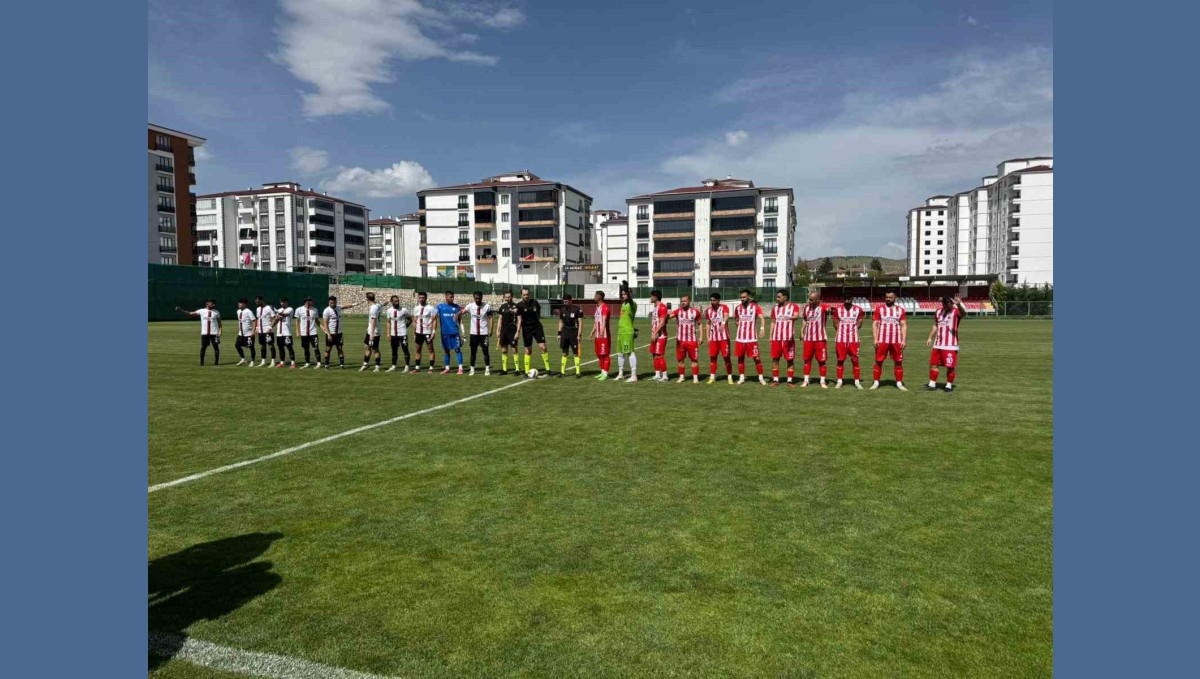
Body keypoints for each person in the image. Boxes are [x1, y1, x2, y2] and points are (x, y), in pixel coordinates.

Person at [926, 294, 967, 392]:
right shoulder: (938, 312)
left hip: (950, 345)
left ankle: (948, 385)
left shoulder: (956, 311)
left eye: (949, 304)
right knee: (933, 364)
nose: (947, 306)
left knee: (950, 367)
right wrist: (930, 338)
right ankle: (932, 384)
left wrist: (959, 304)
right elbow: (936, 325)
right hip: (938, 344)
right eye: (945, 304)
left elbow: (963, 313)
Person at [871, 290, 907, 390]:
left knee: (898, 361)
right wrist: (875, 338)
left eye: (890, 297)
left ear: (895, 298)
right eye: (886, 297)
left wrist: (903, 340)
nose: (888, 299)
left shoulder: (900, 310)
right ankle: (876, 383)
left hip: (896, 340)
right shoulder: (879, 309)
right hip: (882, 339)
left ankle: (899, 383)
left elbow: (903, 325)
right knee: (878, 361)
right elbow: (875, 324)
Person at [733, 289, 767, 385]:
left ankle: (761, 378)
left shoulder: (755, 307)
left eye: (744, 297)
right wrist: (739, 326)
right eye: (741, 297)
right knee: (740, 358)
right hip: (740, 338)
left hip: (752, 338)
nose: (742, 299)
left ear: (748, 297)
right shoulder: (738, 308)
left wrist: (762, 328)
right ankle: (742, 377)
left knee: (756, 358)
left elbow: (762, 318)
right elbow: (736, 319)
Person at [515, 288, 551, 377]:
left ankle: (548, 369)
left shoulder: (535, 302)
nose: (526, 296)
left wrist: (536, 320)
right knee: (528, 350)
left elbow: (538, 313)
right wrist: (517, 332)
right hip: (526, 329)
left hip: (537, 327)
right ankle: (527, 372)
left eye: (527, 294)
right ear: (521, 295)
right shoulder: (519, 306)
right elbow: (519, 320)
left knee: (543, 347)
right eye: (524, 295)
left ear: (529, 294)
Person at [768, 289, 801, 387]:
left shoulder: (793, 306)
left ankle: (790, 381)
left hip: (788, 338)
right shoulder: (775, 308)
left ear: (785, 297)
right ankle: (775, 380)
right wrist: (770, 335)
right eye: (777, 297)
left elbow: (796, 316)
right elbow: (773, 322)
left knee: (790, 360)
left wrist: (788, 317)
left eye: (779, 297)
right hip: (777, 338)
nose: (777, 299)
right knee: (775, 359)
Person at [174, 299, 221, 366]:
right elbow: (190, 313)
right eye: (212, 303)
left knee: (216, 347)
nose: (214, 305)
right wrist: (181, 310)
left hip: (215, 333)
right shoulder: (201, 311)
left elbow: (220, 323)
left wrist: (220, 332)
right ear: (207, 304)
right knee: (203, 348)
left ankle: (216, 363)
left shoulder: (216, 312)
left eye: (214, 304)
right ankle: (201, 362)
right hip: (205, 333)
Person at [799, 291, 830, 388]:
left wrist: (831, 310)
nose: (809, 301)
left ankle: (822, 381)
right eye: (809, 299)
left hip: (820, 339)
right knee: (807, 360)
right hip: (808, 339)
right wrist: (802, 331)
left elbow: (833, 310)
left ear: (817, 300)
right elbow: (805, 319)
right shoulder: (806, 308)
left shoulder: (823, 307)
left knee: (822, 361)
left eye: (812, 299)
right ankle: (806, 380)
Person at [833, 298, 866, 389]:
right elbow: (835, 323)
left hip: (854, 339)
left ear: (852, 299)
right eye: (845, 299)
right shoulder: (837, 310)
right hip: (840, 339)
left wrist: (853, 331)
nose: (847, 300)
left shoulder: (858, 310)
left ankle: (857, 381)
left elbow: (859, 323)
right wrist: (841, 332)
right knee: (840, 360)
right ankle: (839, 381)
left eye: (849, 298)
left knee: (855, 360)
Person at [669, 294, 701, 383]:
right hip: (680, 340)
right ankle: (682, 377)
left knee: (694, 359)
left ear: (689, 301)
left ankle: (695, 378)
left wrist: (701, 337)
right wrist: (665, 315)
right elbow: (668, 317)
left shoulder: (695, 312)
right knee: (680, 359)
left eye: (685, 301)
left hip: (692, 340)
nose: (683, 303)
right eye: (682, 301)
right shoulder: (677, 311)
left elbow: (700, 324)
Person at [702, 293, 734, 384]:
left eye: (714, 300)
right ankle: (712, 377)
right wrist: (708, 338)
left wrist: (723, 324)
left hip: (724, 338)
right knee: (712, 358)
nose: (712, 302)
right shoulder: (708, 310)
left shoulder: (724, 307)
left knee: (726, 357)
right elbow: (708, 324)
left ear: (719, 300)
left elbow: (726, 316)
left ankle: (730, 377)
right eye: (711, 300)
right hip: (713, 338)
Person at [461, 291, 493, 376]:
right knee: (473, 352)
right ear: (473, 298)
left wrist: (491, 329)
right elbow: (462, 312)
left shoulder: (487, 307)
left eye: (479, 298)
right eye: (476, 298)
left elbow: (490, 318)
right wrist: (456, 314)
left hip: (484, 333)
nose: (478, 300)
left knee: (485, 351)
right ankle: (472, 369)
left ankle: (487, 369)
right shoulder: (470, 306)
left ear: (482, 298)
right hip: (473, 334)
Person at [320, 295, 356, 369]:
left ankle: (342, 365)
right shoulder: (326, 311)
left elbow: (346, 306)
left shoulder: (338, 307)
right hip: (331, 333)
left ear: (336, 302)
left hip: (339, 333)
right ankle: (326, 365)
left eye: (333, 303)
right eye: (330, 303)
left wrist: (353, 304)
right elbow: (325, 324)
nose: (332, 304)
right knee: (328, 349)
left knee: (339, 348)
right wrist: (328, 334)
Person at [435, 291, 465, 375]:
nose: (452, 298)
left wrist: (463, 332)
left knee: (457, 349)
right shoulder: (440, 306)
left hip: (454, 332)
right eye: (451, 297)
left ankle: (460, 368)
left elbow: (460, 321)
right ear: (446, 297)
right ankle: (447, 368)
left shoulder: (456, 307)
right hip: (444, 333)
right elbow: (434, 314)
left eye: (453, 297)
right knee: (446, 350)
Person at [614, 283, 638, 382]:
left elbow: (631, 300)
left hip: (627, 332)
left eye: (624, 294)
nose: (622, 296)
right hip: (621, 332)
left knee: (630, 352)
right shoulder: (623, 304)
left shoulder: (632, 304)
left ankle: (633, 376)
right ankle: (621, 373)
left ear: (629, 294)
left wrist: (627, 290)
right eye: (622, 294)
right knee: (620, 353)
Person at [557, 293, 584, 378]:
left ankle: (578, 372)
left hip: (574, 332)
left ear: (570, 300)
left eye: (566, 301)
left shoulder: (577, 309)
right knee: (564, 352)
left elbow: (580, 322)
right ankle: (562, 372)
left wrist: (579, 334)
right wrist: (559, 333)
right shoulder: (562, 310)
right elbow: (561, 321)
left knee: (575, 353)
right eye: (564, 301)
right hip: (565, 332)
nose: (565, 303)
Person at [494, 290, 520, 375]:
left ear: (512, 297)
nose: (507, 298)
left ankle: (517, 370)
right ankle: (504, 370)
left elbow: (519, 320)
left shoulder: (516, 306)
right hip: (504, 330)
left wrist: (517, 332)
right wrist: (498, 330)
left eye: (509, 297)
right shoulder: (502, 306)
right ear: (504, 297)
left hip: (512, 330)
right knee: (504, 350)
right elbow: (500, 319)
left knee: (514, 350)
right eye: (506, 297)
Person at [411, 291, 438, 372]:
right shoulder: (416, 308)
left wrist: (433, 332)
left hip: (428, 332)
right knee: (417, 350)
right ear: (418, 298)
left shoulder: (431, 308)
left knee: (430, 350)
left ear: (426, 298)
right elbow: (414, 321)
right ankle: (417, 368)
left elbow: (434, 321)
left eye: (423, 298)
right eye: (420, 297)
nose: (421, 299)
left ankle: (431, 368)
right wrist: (414, 333)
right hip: (418, 333)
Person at [385, 295, 412, 372]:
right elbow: (388, 322)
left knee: (405, 349)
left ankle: (407, 366)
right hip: (393, 334)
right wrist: (388, 333)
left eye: (398, 301)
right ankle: (394, 366)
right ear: (391, 302)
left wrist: (405, 327)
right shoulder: (389, 311)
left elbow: (410, 319)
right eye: (395, 301)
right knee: (394, 350)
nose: (397, 302)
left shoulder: (404, 310)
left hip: (402, 334)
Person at [648, 290, 670, 382]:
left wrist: (655, 332)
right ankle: (657, 374)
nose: (650, 298)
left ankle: (665, 376)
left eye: (651, 296)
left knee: (659, 355)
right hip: (655, 335)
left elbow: (662, 322)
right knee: (654, 355)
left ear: (656, 297)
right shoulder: (655, 307)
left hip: (661, 336)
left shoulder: (662, 307)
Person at [294, 297, 322, 369]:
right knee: (306, 348)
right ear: (306, 302)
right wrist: (297, 332)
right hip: (304, 333)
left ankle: (318, 363)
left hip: (313, 333)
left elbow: (317, 321)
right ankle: (307, 363)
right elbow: (297, 322)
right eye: (309, 301)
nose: (311, 303)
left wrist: (323, 327)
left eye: (311, 301)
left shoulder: (315, 310)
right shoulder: (299, 309)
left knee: (316, 347)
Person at [590, 290, 612, 380]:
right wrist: (592, 332)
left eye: (595, 295)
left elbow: (604, 321)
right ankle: (602, 372)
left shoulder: (605, 307)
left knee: (605, 354)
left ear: (600, 297)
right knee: (599, 354)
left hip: (604, 335)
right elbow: (596, 322)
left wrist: (602, 333)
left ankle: (606, 374)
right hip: (597, 335)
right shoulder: (597, 307)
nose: (594, 297)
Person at [360, 292, 383, 372]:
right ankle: (365, 364)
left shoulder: (373, 308)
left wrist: (372, 334)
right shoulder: (378, 305)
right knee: (367, 346)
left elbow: (373, 321)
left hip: (374, 331)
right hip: (370, 330)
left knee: (375, 349)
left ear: (367, 299)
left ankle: (377, 366)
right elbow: (383, 304)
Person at [251, 296, 276, 367]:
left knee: (271, 345)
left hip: (268, 331)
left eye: (258, 302)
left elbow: (274, 318)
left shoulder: (269, 308)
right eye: (256, 302)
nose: (257, 303)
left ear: (262, 300)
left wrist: (270, 327)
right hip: (260, 331)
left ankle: (273, 361)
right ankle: (263, 361)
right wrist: (257, 328)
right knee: (262, 346)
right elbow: (258, 319)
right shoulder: (258, 309)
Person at [272, 297, 297, 368]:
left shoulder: (290, 309)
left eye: (283, 302)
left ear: (287, 302)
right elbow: (276, 320)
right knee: (280, 348)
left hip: (287, 332)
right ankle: (282, 362)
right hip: (279, 333)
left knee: (289, 347)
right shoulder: (279, 310)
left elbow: (285, 315)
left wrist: (276, 311)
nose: (282, 303)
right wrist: (271, 327)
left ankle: (293, 363)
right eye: (281, 302)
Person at [233, 298, 256, 366]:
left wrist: (253, 332)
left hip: (248, 333)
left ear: (245, 304)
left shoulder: (248, 311)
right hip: (241, 333)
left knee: (251, 347)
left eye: (241, 303)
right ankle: (243, 359)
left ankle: (252, 361)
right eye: (238, 302)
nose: (239, 304)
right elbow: (240, 321)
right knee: (237, 345)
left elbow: (254, 321)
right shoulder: (238, 311)